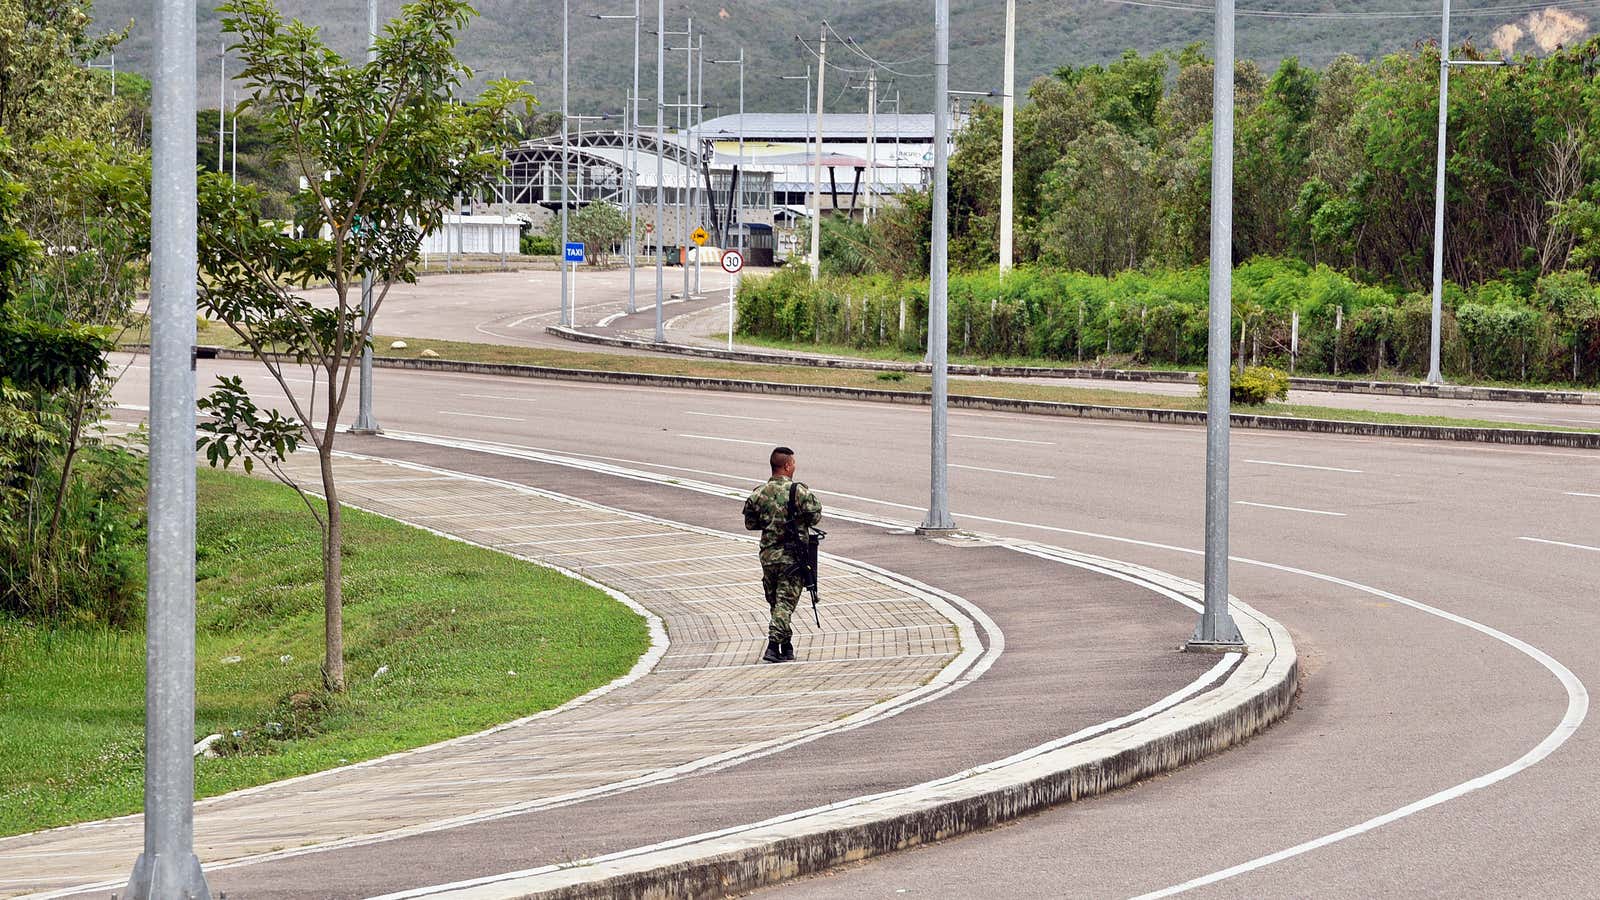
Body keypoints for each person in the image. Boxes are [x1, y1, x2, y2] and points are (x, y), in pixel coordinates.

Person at [743, 446, 823, 663]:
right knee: (785, 604)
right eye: (793, 463)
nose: (794, 466)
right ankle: (771, 647)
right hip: (792, 558)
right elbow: (815, 517)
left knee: (777, 603)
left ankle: (785, 646)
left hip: (768, 557)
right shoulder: (799, 492)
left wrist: (771, 522)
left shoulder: (758, 493)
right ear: (787, 465)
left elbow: (750, 524)